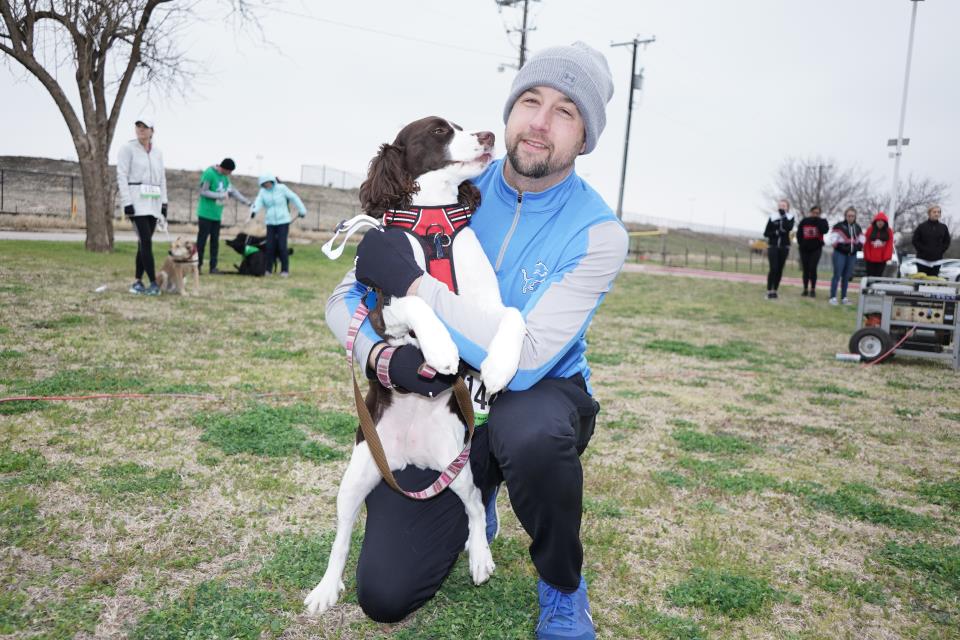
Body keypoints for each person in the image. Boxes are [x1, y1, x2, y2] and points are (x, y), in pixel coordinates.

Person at [325, 42, 626, 639]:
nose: (540, 122)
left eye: (565, 111)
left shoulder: (598, 232)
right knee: (385, 594)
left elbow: (530, 352)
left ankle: (563, 587)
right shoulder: (449, 181)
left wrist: (413, 284)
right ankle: (478, 492)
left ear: (585, 136)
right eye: (530, 101)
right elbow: (344, 300)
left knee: (530, 430)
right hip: (439, 402)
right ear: (510, 110)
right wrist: (381, 358)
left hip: (537, 390)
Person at [117, 118, 167, 296]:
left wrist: (164, 203)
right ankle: (153, 283)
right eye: (138, 126)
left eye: (145, 127)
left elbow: (162, 178)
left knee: (142, 244)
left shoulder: (158, 152)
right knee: (146, 242)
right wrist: (127, 202)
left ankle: (137, 281)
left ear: (152, 130)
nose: (141, 130)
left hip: (153, 203)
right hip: (136, 202)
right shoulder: (127, 149)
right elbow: (121, 175)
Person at [195, 158, 251, 274]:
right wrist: (219, 195)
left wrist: (247, 202)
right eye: (229, 171)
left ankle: (213, 267)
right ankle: (197, 266)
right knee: (202, 241)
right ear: (224, 168)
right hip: (205, 214)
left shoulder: (225, 178)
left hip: (217, 215)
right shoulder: (209, 173)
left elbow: (233, 192)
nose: (230, 174)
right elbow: (203, 191)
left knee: (215, 242)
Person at [249, 174, 306, 277]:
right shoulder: (262, 192)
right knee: (270, 246)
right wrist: (254, 211)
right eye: (264, 184)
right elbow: (258, 202)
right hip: (270, 222)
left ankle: (285, 270)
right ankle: (268, 270)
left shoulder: (282, 188)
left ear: (272, 181)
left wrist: (302, 210)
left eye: (268, 183)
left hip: (283, 221)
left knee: (281, 246)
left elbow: (294, 198)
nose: (267, 185)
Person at [829, 206, 864, 305]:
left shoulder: (857, 227)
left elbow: (862, 241)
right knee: (837, 275)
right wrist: (843, 247)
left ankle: (844, 297)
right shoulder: (838, 226)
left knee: (847, 276)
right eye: (849, 216)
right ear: (845, 216)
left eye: (853, 216)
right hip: (840, 254)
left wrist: (857, 248)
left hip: (852, 255)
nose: (851, 218)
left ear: (855, 216)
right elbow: (833, 240)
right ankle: (833, 297)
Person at [763, 199, 795, 299]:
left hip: (784, 247)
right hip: (773, 246)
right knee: (773, 268)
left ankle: (775, 290)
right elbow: (766, 233)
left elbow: (788, 228)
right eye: (780, 205)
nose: (782, 207)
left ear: (787, 207)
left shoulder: (790, 217)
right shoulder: (772, 217)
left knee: (780, 269)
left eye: (784, 206)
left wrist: (784, 217)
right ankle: (768, 290)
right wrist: (775, 233)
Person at [796, 204, 830, 297]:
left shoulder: (822, 221)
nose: (815, 214)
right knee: (805, 269)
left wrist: (818, 221)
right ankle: (805, 289)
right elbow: (799, 233)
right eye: (814, 212)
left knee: (813, 268)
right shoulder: (804, 221)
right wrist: (801, 243)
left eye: (817, 213)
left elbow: (825, 230)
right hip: (804, 249)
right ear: (810, 212)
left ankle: (813, 290)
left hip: (816, 248)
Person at [912, 204, 951, 276]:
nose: (937, 214)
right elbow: (915, 241)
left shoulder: (943, 227)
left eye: (938, 212)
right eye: (934, 212)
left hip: (937, 261)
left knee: (932, 283)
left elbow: (947, 241)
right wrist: (923, 250)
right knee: (921, 283)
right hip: (922, 260)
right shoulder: (922, 226)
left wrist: (940, 251)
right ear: (929, 213)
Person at [863, 211, 895, 277]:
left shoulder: (889, 231)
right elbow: (866, 244)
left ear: (885, 222)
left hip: (882, 259)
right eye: (878, 221)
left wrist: (886, 257)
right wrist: (867, 255)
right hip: (870, 259)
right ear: (875, 221)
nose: (880, 222)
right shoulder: (870, 230)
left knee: (878, 276)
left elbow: (889, 245)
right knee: (870, 276)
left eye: (882, 221)